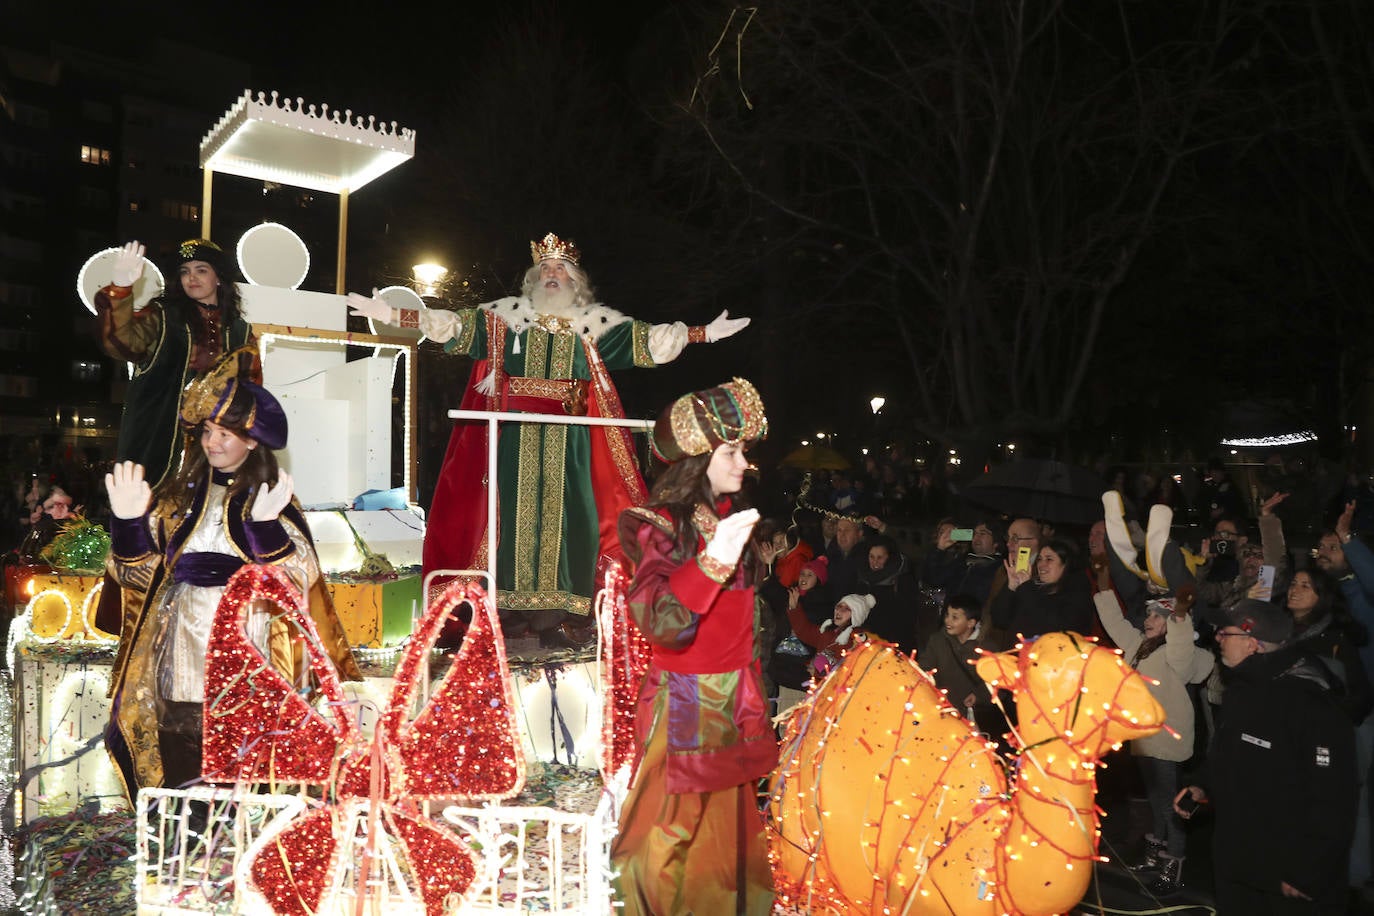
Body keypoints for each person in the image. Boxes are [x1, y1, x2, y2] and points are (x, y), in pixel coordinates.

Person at [348, 233, 749, 632]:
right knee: (506, 510)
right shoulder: (503, 319)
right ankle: (506, 606)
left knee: (573, 512)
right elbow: (449, 325)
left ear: (576, 280)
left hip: (571, 435)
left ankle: (564, 608)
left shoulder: (594, 324)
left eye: (561, 268)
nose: (551, 274)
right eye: (545, 268)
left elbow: (647, 341)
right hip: (514, 434)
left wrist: (705, 333)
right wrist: (390, 313)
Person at [101, 352, 359, 798]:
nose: (212, 443)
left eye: (225, 434)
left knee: (246, 777)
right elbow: (142, 581)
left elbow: (299, 581)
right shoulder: (175, 501)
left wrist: (263, 530)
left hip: (248, 656)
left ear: (253, 442)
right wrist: (127, 527)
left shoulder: (273, 500)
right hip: (179, 659)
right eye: (207, 431)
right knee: (185, 783)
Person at [610, 378, 774, 916]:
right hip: (688, 698)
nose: (743, 463)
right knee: (670, 828)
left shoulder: (728, 518)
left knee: (726, 827)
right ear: (697, 457)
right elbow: (661, 619)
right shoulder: (662, 526)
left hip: (733, 692)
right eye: (732, 451)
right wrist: (713, 562)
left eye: (744, 451)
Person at [1176, 599, 1356, 914]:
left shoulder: (1312, 705)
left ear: (1253, 644)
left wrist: (1309, 872)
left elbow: (1334, 798)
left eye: (1225, 633)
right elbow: (1227, 754)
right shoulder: (1242, 689)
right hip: (1237, 863)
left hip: (1285, 878)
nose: (1216, 638)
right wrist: (1203, 786)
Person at [94, 239, 257, 489]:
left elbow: (251, 393)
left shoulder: (240, 331)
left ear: (218, 278)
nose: (191, 277)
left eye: (201, 270)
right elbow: (118, 342)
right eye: (185, 271)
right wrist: (121, 289)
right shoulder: (161, 316)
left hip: (215, 446)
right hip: (157, 436)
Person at [1093, 584, 1214, 895]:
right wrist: (1106, 585)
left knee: (1170, 805)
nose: (1148, 618)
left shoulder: (1178, 655)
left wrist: (1181, 615)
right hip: (1146, 738)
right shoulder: (1141, 646)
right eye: (1148, 613)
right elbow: (1116, 624)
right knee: (1155, 799)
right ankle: (1154, 857)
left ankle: (1173, 866)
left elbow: (1181, 641)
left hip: (1168, 740)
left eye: (1158, 616)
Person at [920, 593, 1006, 744]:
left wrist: (979, 696)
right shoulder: (938, 640)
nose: (947, 620)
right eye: (947, 615)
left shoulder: (987, 648)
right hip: (941, 712)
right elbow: (925, 666)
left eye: (955, 617)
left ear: (971, 622)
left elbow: (999, 683)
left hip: (971, 719)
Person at [990, 536, 1095, 643]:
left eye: (1049, 559)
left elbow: (1052, 626)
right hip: (1019, 655)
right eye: (1039, 559)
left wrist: (1026, 588)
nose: (1041, 565)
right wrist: (1011, 587)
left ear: (1066, 564)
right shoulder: (1031, 588)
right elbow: (999, 620)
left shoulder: (1078, 593)